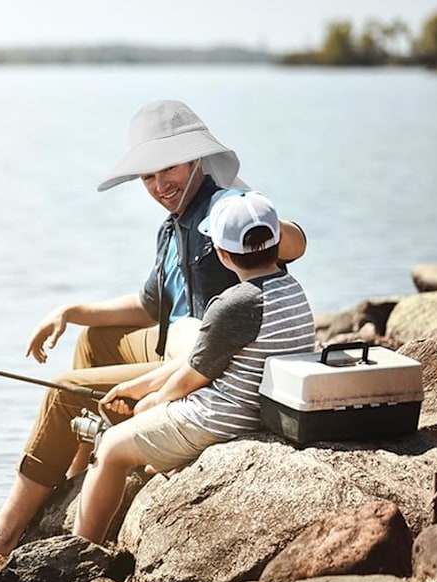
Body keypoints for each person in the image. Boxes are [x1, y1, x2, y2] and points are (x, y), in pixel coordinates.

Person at [0, 100, 307, 556]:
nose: (158, 185)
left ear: (196, 161)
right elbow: (150, 305)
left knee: (65, 387)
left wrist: (259, 221)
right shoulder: (172, 229)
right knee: (94, 338)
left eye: (167, 169)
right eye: (147, 176)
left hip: (208, 367)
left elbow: (294, 245)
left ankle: (5, 529)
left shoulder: (223, 207)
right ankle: (72, 476)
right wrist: (70, 311)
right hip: (178, 349)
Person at [73, 190, 316, 544]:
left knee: (110, 446)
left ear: (220, 253)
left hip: (224, 418)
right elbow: (196, 359)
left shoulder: (235, 303)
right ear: (276, 242)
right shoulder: (290, 288)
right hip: (260, 406)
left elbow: (190, 378)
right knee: (139, 415)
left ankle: (81, 548)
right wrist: (138, 386)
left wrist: (152, 402)